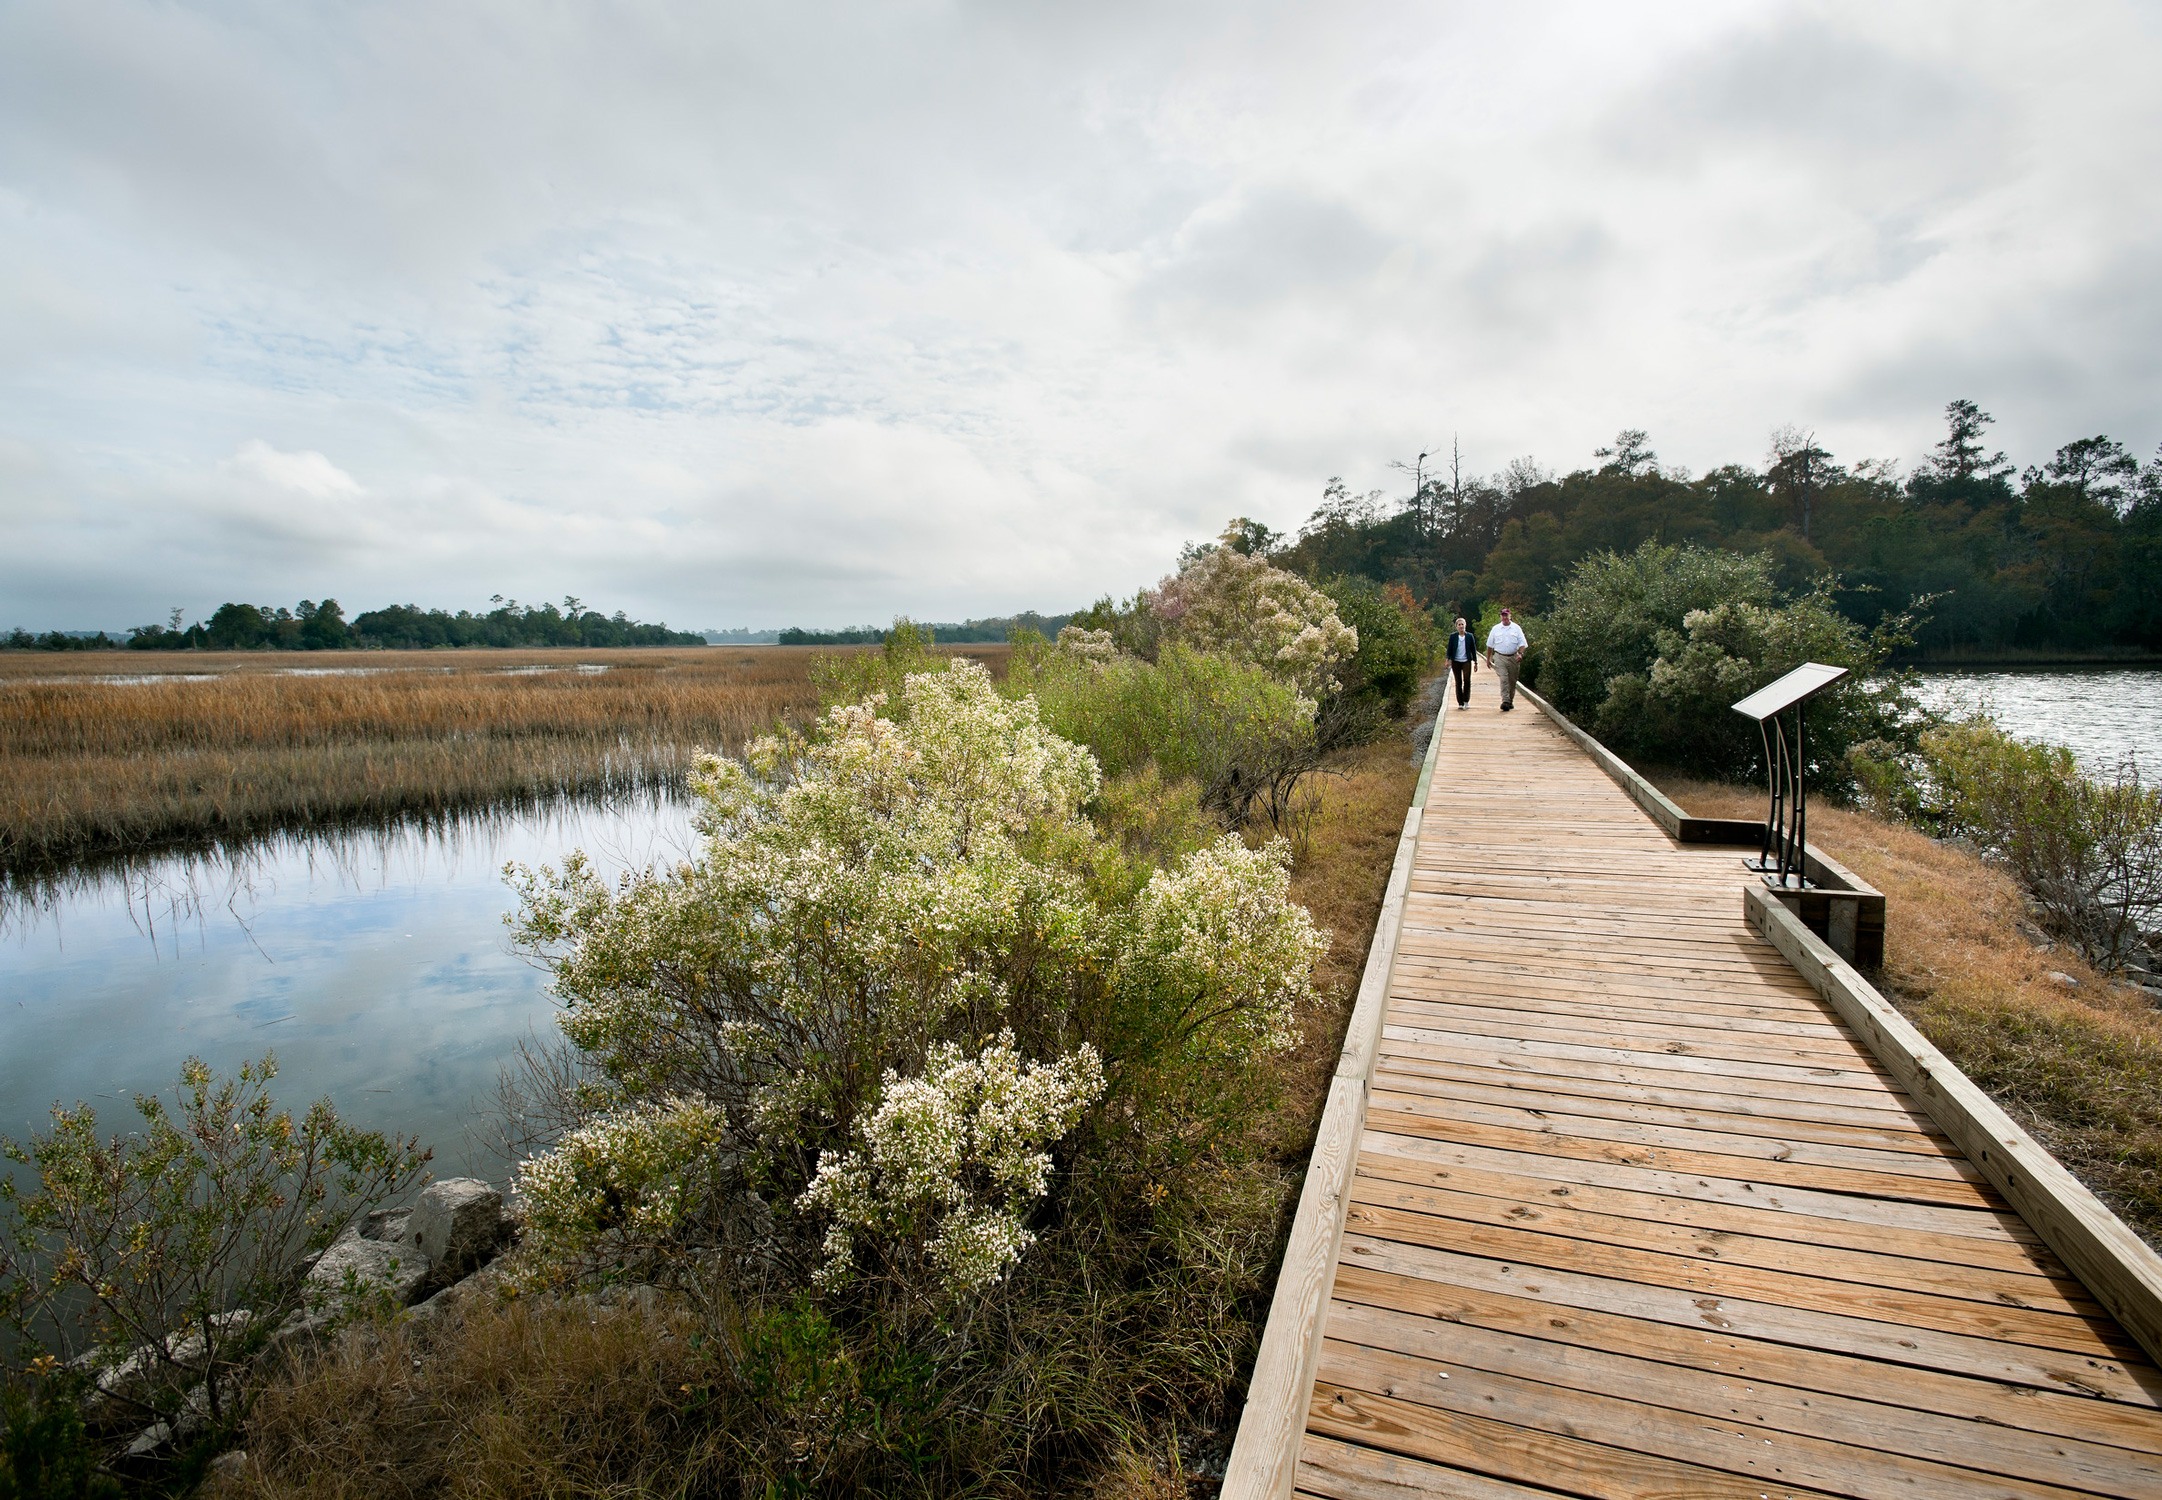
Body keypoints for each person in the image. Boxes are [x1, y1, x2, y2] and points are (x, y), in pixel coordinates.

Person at [1484, 606, 1527, 711]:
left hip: (1513, 657)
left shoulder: (1516, 628)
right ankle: (1505, 701)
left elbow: (1523, 644)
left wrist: (1520, 654)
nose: (1505, 618)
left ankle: (1510, 701)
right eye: (1503, 616)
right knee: (1504, 679)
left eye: (1506, 616)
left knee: (1512, 680)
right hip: (1499, 657)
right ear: (1500, 617)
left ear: (1510, 616)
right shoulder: (1495, 629)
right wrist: (1488, 659)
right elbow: (1490, 645)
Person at [1444, 616, 1477, 709]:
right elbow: (1449, 649)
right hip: (1456, 661)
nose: (1461, 626)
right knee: (1458, 682)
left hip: (1466, 661)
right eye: (1459, 625)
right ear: (1456, 627)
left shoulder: (1470, 636)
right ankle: (1460, 702)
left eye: (1462, 624)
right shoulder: (1453, 637)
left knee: (1467, 680)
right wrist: (1447, 660)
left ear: (1465, 625)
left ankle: (1466, 700)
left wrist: (1475, 662)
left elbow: (1473, 649)